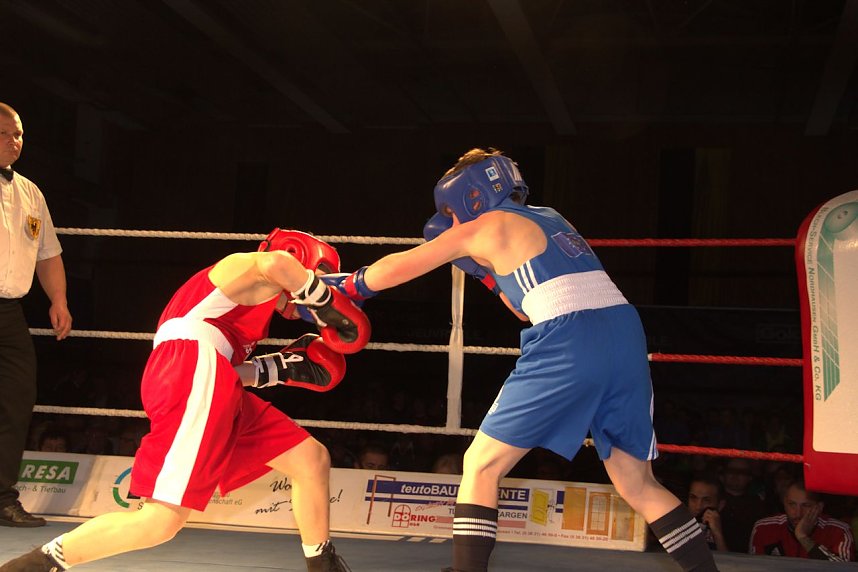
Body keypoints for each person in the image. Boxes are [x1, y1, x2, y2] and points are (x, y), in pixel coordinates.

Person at [328, 148, 719, 572]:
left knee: (480, 464)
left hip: (570, 336)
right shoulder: (552, 216)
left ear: (470, 199)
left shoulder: (482, 226)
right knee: (637, 481)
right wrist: (487, 276)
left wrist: (348, 287)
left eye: (450, 211)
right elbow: (523, 303)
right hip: (625, 333)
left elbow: (399, 267)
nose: (450, 221)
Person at [0, 229, 368, 572]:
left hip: (210, 378)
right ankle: (36, 566)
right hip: (193, 370)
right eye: (314, 281)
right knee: (160, 521)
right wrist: (323, 300)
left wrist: (274, 369)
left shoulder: (241, 309)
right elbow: (276, 264)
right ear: (298, 259)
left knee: (311, 458)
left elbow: (224, 373)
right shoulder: (243, 266)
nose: (299, 306)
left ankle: (323, 565)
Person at [0, 101, 73, 528]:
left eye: (20, 134)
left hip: (10, 312)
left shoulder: (30, 192)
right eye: (8, 134)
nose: (16, 141)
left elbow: (48, 254)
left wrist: (58, 300)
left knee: (16, 401)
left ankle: (3, 497)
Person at [750, 479, 855, 561]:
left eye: (806, 505)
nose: (798, 513)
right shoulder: (764, 528)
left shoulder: (838, 531)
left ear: (819, 507)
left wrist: (803, 537)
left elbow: (842, 569)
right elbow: (752, 567)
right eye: (792, 504)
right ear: (784, 503)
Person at [718, 458, 766, 552]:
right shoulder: (712, 498)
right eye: (731, 470)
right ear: (724, 474)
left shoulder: (757, 504)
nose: (735, 475)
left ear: (750, 477)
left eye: (741, 472)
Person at [687, 472, 728, 552]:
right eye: (693, 498)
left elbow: (733, 563)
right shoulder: (676, 523)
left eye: (706, 500)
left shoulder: (729, 526)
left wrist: (717, 534)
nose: (698, 506)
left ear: (720, 505)